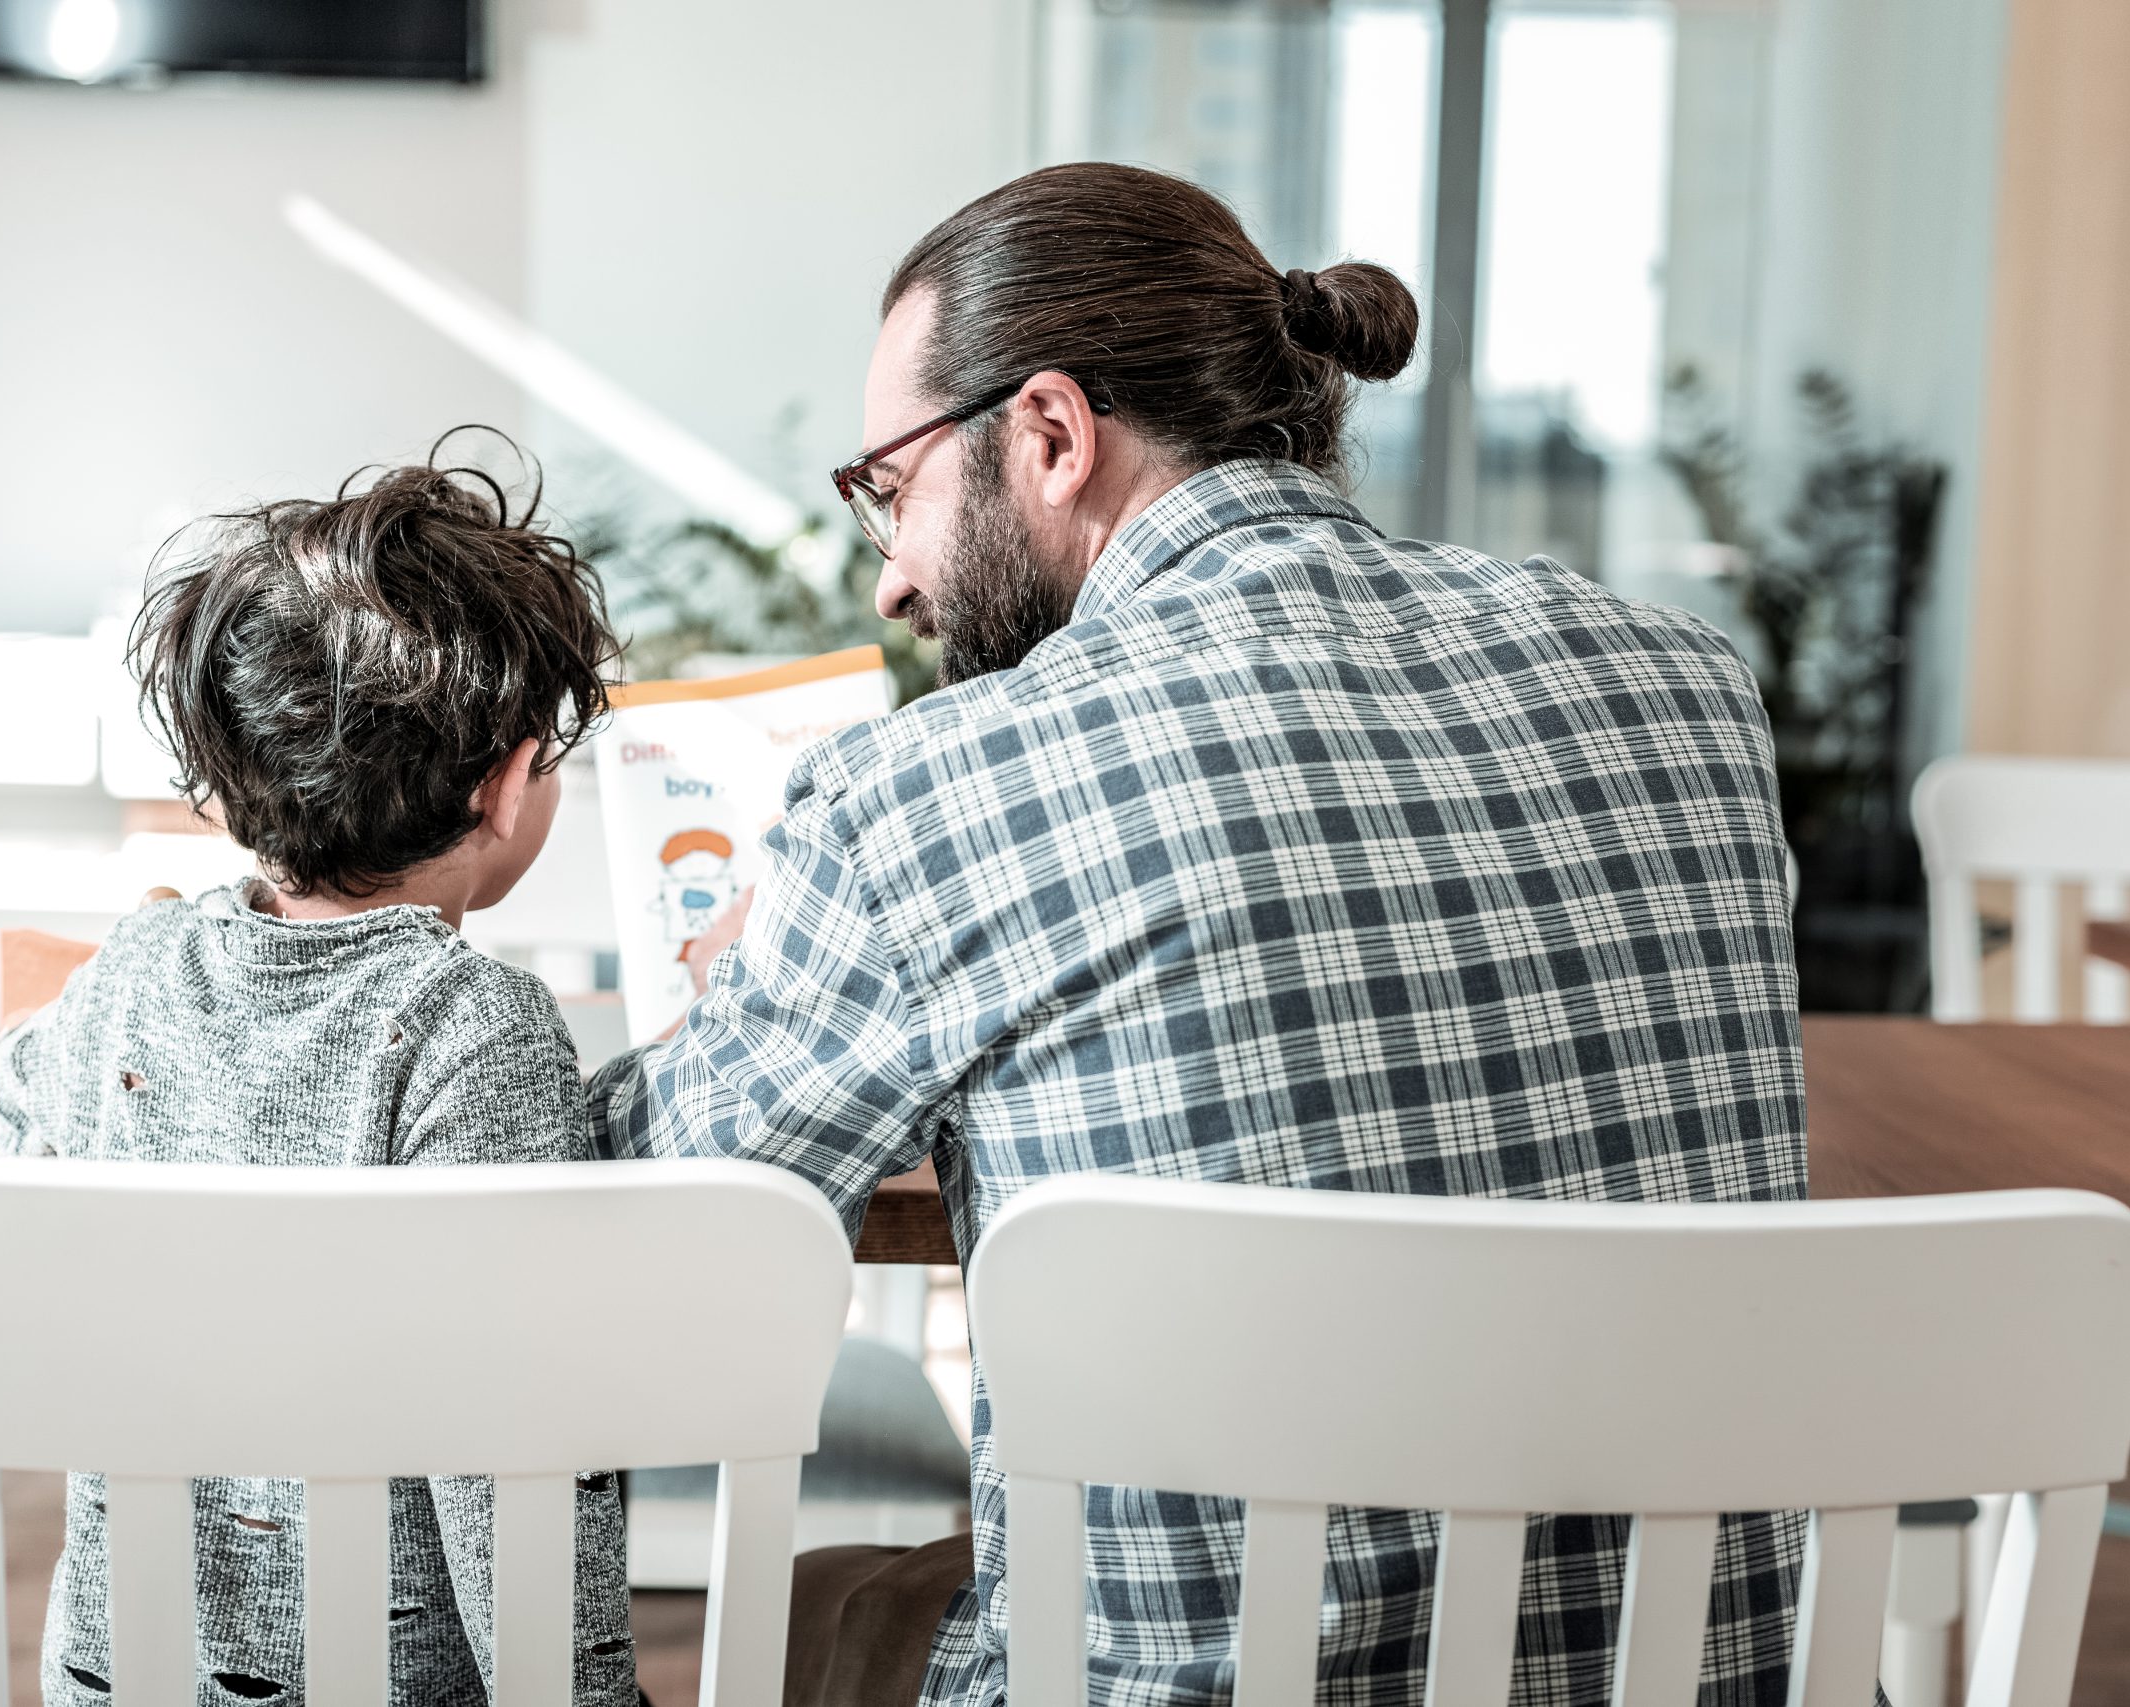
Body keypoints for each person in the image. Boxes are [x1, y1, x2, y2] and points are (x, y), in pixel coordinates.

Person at [590, 161, 1807, 1707]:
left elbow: (638, 1241)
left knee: (820, 1597)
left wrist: (735, 984)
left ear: (1048, 432)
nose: (890, 571)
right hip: (1692, 1675)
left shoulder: (941, 790)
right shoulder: (1689, 687)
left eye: (889, 489)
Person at [0, 454, 639, 1707]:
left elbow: (20, 1096)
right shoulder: (476, 1029)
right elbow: (507, 1458)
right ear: (506, 786)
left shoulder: (136, 967)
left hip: (117, 1676)